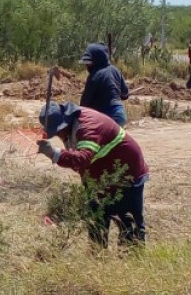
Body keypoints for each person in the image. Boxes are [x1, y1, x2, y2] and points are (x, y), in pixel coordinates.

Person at [36, 102, 149, 246]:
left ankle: (132, 256)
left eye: (58, 131)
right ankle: (97, 255)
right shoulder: (72, 125)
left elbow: (83, 159)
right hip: (100, 178)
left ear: (65, 122)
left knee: (129, 227)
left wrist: (54, 154)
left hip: (127, 174)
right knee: (96, 224)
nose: (58, 135)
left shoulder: (88, 127)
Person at [78, 42, 130, 126]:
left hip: (107, 116)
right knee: (116, 134)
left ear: (96, 62)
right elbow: (125, 94)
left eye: (88, 64)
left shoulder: (94, 76)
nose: (87, 66)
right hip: (120, 114)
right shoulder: (115, 70)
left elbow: (84, 103)